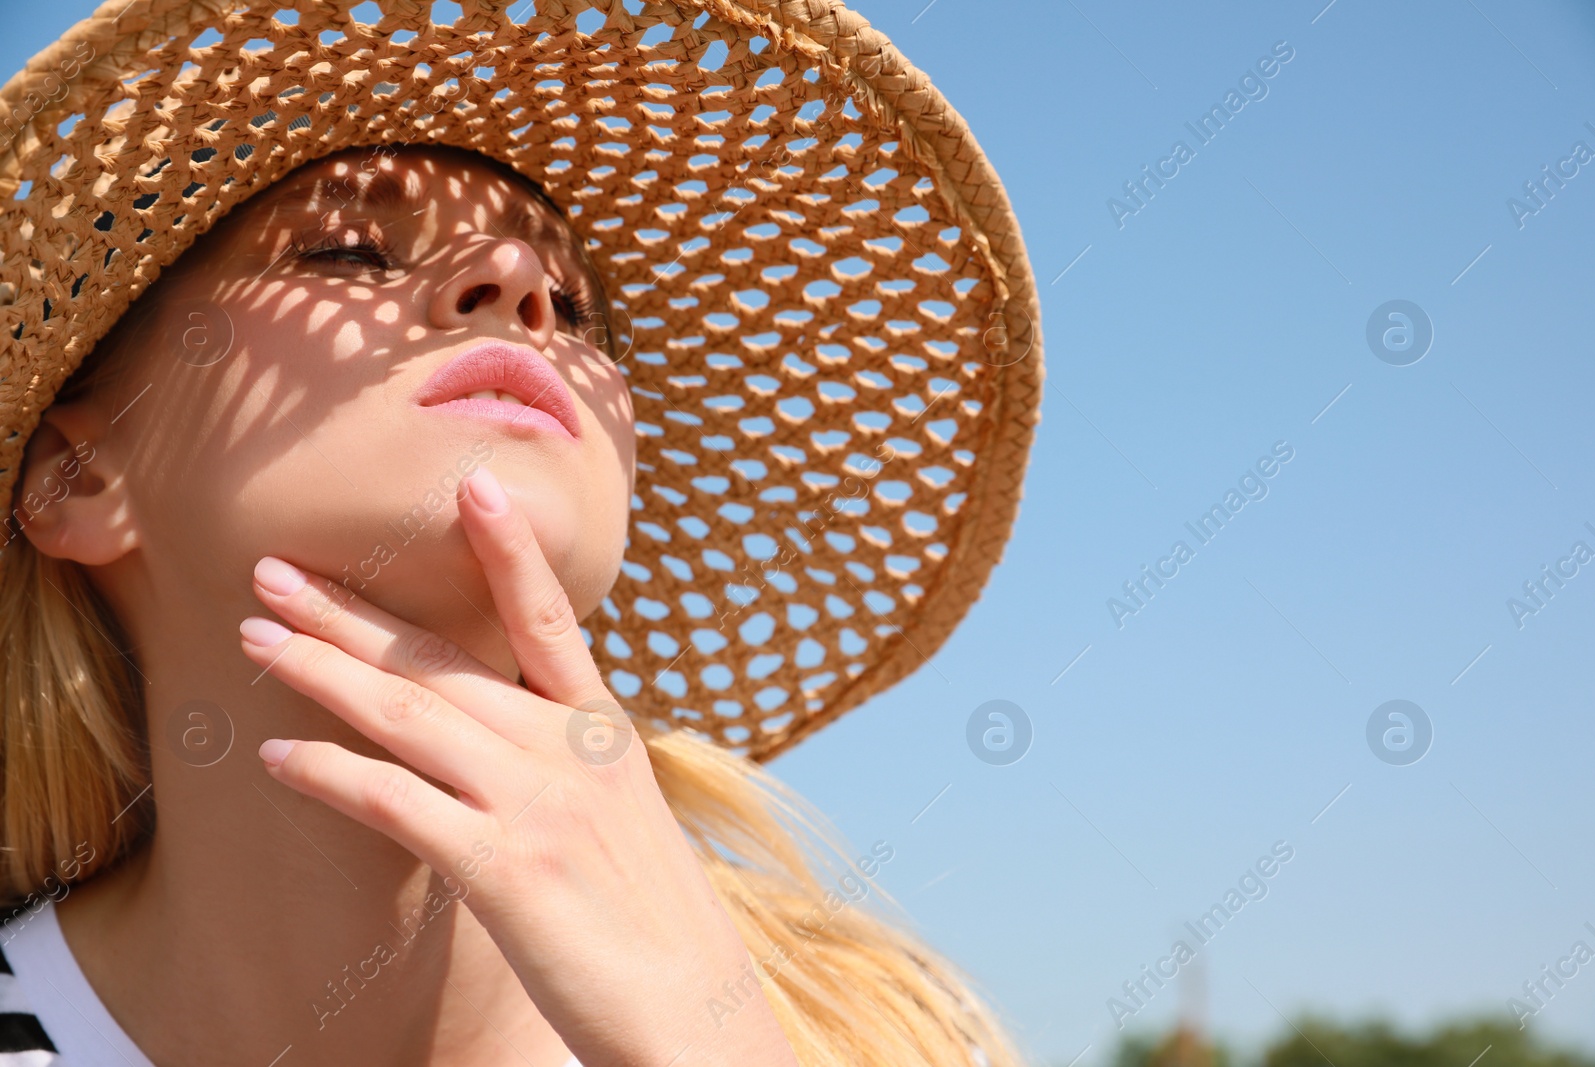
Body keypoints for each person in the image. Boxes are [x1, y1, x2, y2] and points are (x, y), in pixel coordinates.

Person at [0, 2, 1042, 1064]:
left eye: (575, 306)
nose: (518, 282)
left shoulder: (889, 1037)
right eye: (351, 251)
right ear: (80, 476)